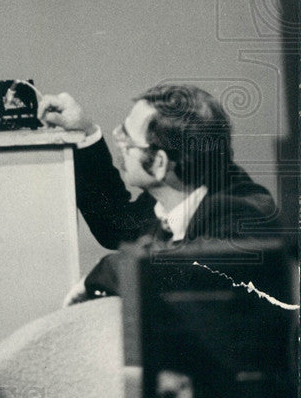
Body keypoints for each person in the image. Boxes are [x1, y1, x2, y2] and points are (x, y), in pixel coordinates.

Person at [38, 84, 282, 303]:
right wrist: (85, 132)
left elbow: (190, 272)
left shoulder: (247, 216)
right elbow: (116, 225)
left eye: (127, 136)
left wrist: (108, 270)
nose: (117, 136)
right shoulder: (177, 189)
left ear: (160, 164)